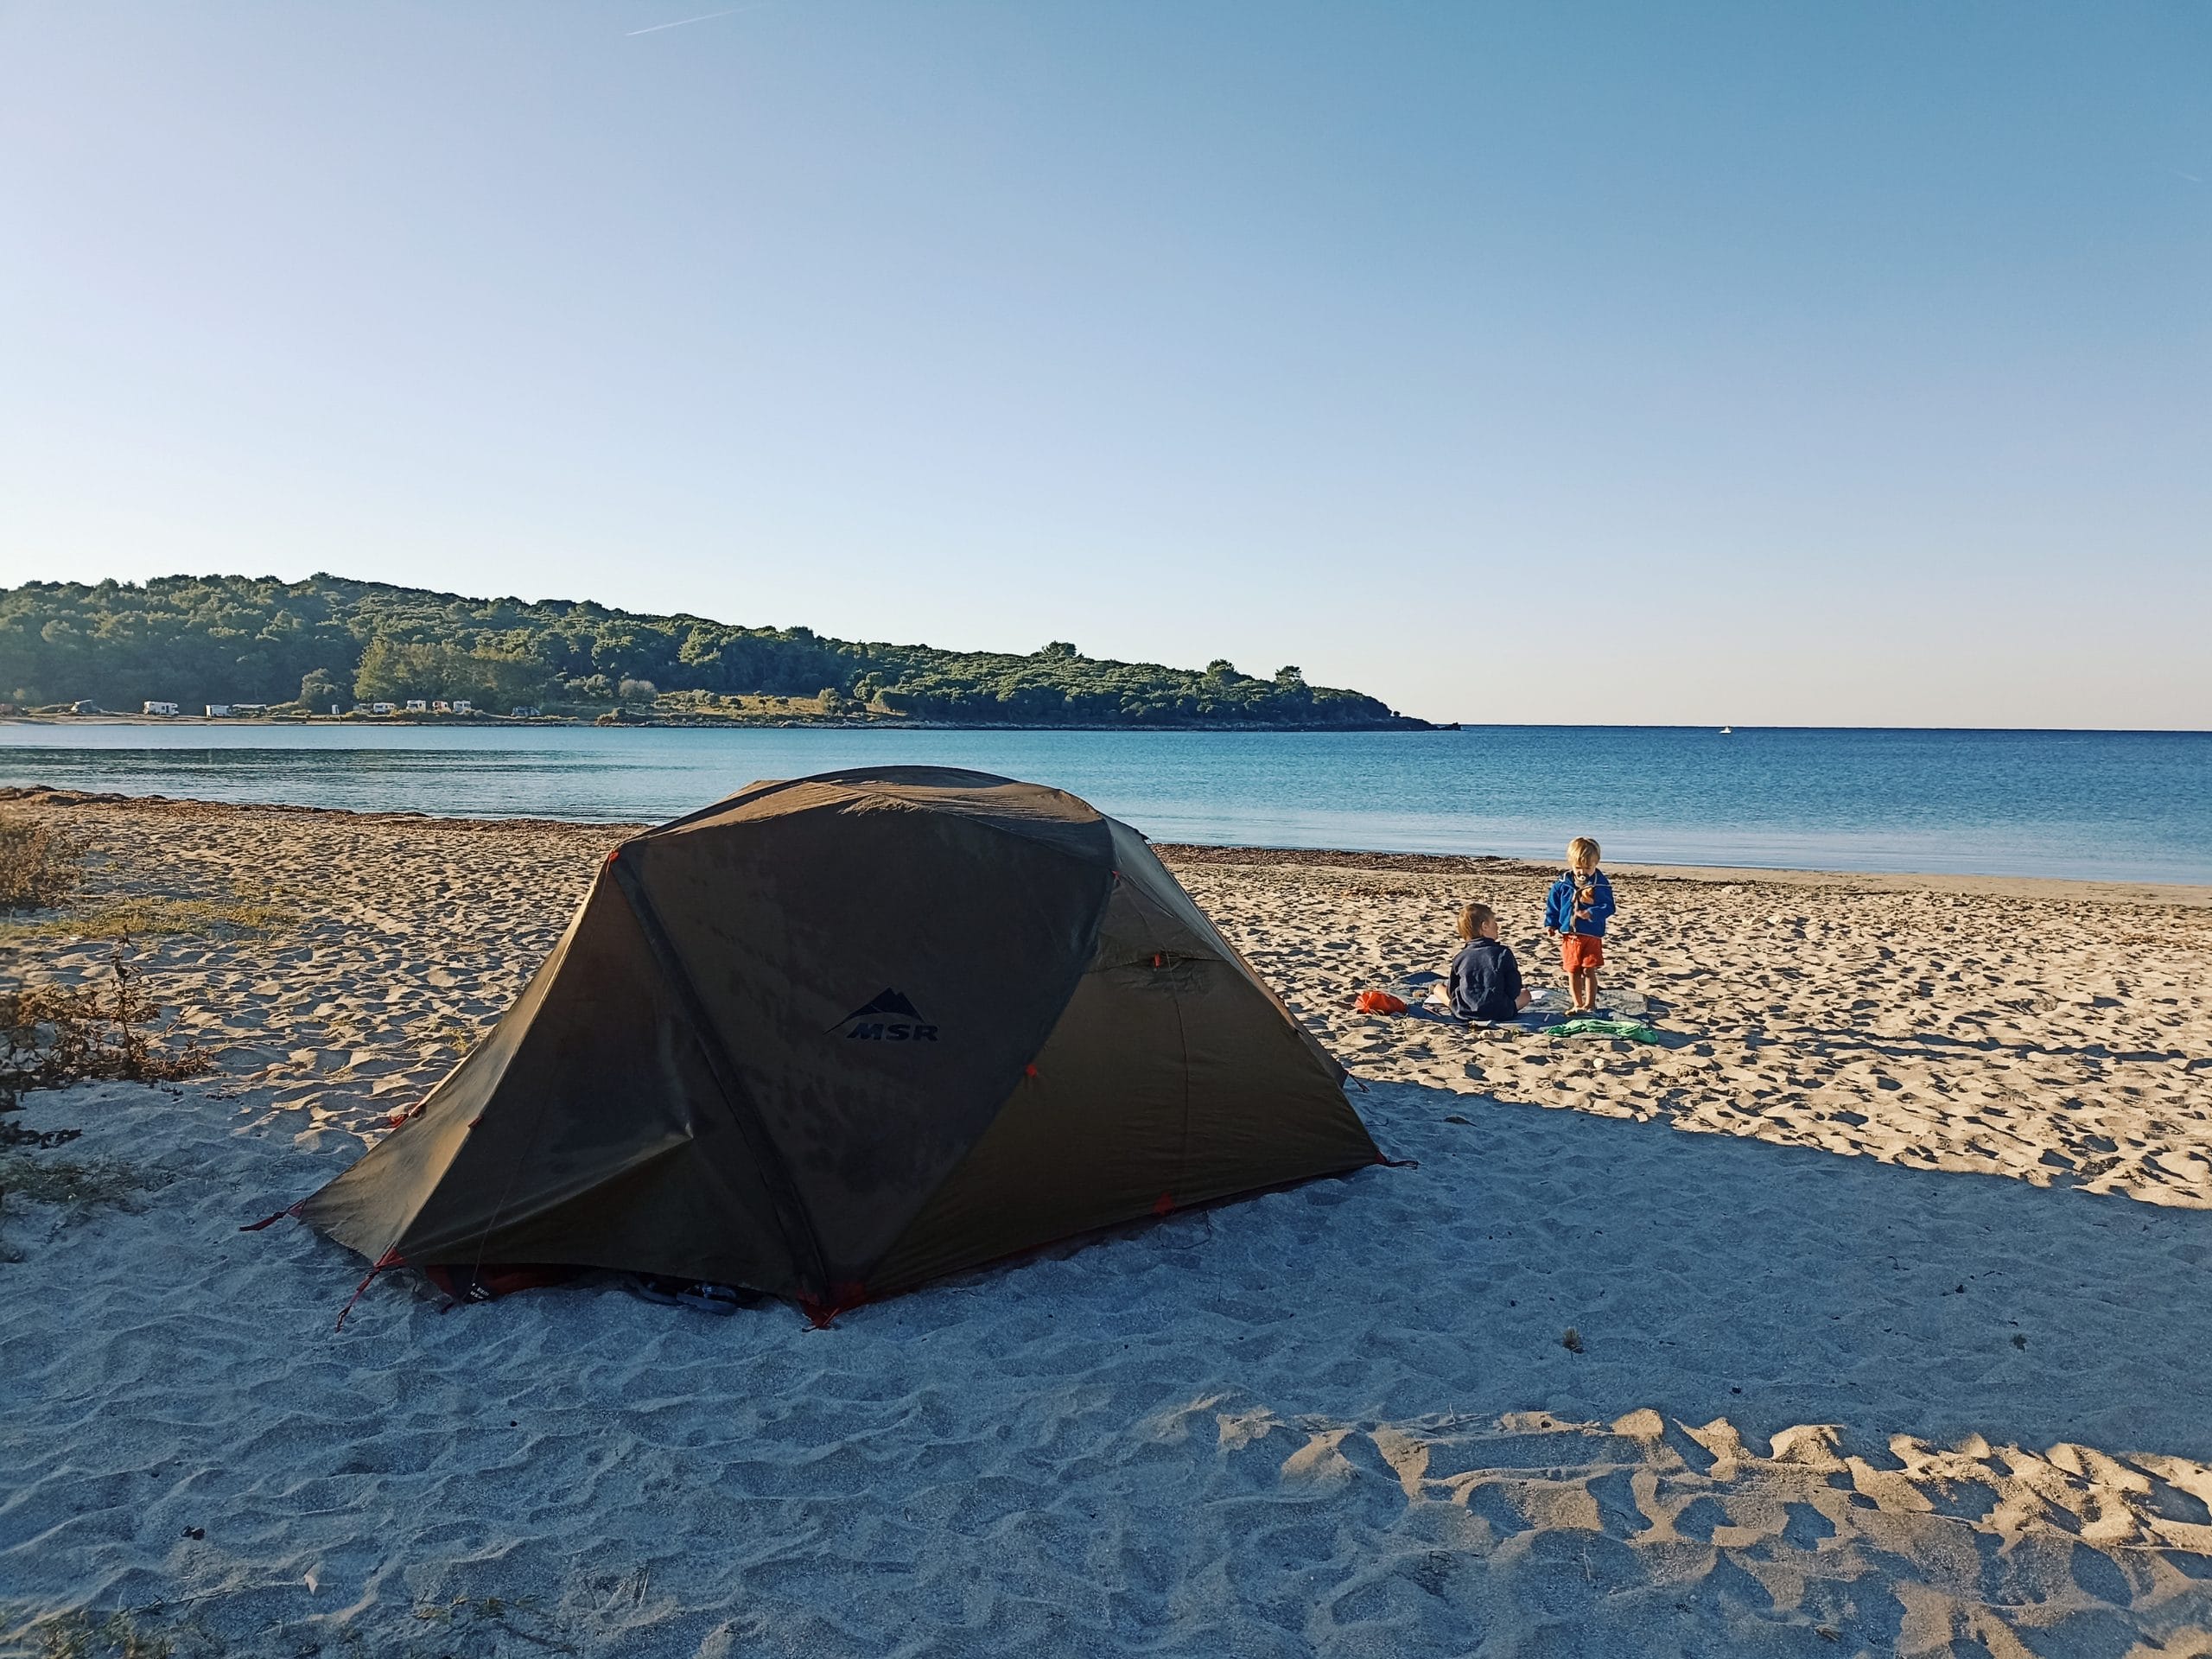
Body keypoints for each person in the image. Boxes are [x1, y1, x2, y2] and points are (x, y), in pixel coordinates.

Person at [1544, 836, 1616, 1014]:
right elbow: (1553, 905)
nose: (1582, 871)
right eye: (1578, 867)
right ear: (1571, 864)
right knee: (1572, 970)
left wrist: (1591, 913)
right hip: (1570, 935)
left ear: (1596, 863)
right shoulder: (1562, 884)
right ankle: (1577, 1003)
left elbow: (1608, 907)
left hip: (1591, 935)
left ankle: (1590, 1005)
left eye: (1587, 867)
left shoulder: (1600, 884)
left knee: (1589, 969)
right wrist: (1551, 923)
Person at [1447, 902, 1530, 1021]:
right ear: (1485, 926)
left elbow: (1452, 991)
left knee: (1441, 990)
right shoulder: (1503, 953)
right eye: (1494, 923)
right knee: (1526, 994)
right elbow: (1514, 989)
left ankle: (1434, 989)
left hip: (1465, 1013)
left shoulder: (1460, 957)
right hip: (1499, 1012)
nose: (1498, 927)